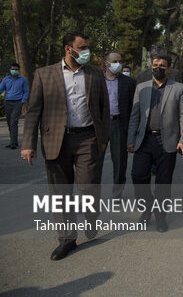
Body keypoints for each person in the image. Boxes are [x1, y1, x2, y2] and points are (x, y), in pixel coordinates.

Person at [21, 32, 109, 261]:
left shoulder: (95, 73)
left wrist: (104, 137)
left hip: (87, 138)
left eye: (88, 46)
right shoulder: (44, 74)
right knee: (60, 194)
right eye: (83, 47)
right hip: (55, 140)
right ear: (68, 49)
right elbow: (33, 112)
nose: (87, 51)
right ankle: (67, 239)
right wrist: (27, 144)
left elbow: (103, 107)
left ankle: (91, 216)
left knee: (88, 185)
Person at [127, 53, 183, 233]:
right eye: (155, 64)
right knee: (138, 176)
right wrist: (131, 138)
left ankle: (161, 217)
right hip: (144, 140)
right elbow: (135, 115)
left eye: (162, 65)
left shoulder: (179, 88)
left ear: (169, 69)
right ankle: (146, 210)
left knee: (163, 182)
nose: (158, 68)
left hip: (167, 140)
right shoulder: (141, 88)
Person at [101, 51, 137, 198]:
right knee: (94, 162)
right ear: (106, 63)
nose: (118, 64)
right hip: (101, 125)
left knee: (120, 161)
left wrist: (131, 133)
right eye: (114, 61)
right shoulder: (96, 80)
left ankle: (117, 193)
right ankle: (91, 193)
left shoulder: (128, 82)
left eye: (120, 61)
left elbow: (133, 109)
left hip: (119, 124)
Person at [1, 62, 29, 149]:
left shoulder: (23, 80)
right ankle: (14, 141)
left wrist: (22, 101)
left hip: (18, 102)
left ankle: (13, 143)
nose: (14, 71)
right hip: (7, 102)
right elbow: (1, 89)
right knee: (9, 122)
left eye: (16, 69)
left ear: (19, 70)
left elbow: (26, 91)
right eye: (13, 69)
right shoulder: (6, 79)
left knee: (13, 122)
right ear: (10, 70)